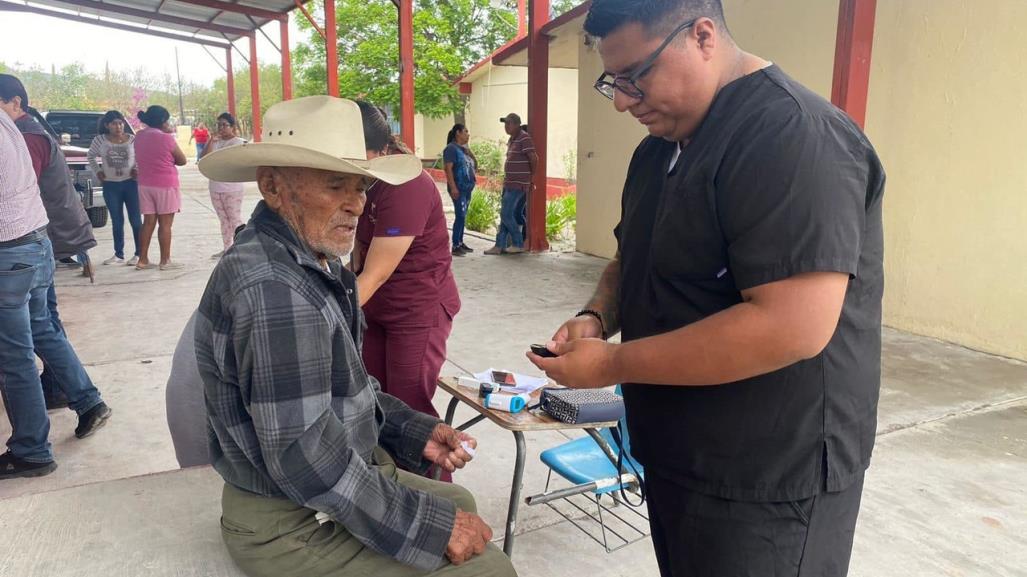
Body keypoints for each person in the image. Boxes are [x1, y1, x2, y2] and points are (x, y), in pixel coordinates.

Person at [527, 2, 886, 577]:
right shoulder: (658, 149)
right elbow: (634, 252)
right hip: (677, 454)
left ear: (702, 36)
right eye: (612, 82)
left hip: (766, 475)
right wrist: (596, 315)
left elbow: (790, 325)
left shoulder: (793, 136)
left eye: (637, 76)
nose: (622, 100)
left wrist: (612, 363)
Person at [195, 95, 514, 577]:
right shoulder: (275, 290)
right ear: (273, 186)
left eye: (361, 185)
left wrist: (413, 429)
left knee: (458, 501)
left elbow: (342, 391)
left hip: (307, 489)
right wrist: (428, 530)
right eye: (335, 184)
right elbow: (304, 459)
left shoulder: (309, 259)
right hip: (287, 521)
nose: (357, 202)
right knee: (488, 569)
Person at [0, 108, 113, 481]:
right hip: (35, 242)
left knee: (14, 359)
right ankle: (88, 400)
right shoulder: (9, 123)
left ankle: (31, 450)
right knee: (43, 330)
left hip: (10, 251)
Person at [353, 102, 461, 432]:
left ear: (384, 150)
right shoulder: (364, 182)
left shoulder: (405, 185)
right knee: (375, 401)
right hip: (377, 308)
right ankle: (391, 481)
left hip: (417, 310)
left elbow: (376, 272)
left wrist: (323, 317)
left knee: (410, 410)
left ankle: (434, 484)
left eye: (360, 158)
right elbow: (360, 256)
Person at [133, 105, 187, 270]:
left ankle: (142, 259)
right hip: (165, 184)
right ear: (163, 120)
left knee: (148, 222)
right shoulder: (166, 138)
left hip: (144, 184)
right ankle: (165, 260)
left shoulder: (139, 136)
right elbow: (182, 160)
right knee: (165, 224)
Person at [88, 110, 141, 266]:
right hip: (111, 184)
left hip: (131, 184)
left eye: (120, 123)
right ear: (107, 125)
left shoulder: (132, 140)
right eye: (114, 124)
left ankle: (139, 253)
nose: (118, 127)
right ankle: (119, 254)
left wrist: (137, 168)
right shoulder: (100, 140)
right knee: (117, 221)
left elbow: (141, 156)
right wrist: (98, 171)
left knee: (136, 220)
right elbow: (90, 155)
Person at [485, 114, 536, 255]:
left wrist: (531, 177)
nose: (506, 127)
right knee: (505, 215)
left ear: (517, 125)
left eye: (509, 124)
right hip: (509, 182)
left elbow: (533, 157)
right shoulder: (512, 139)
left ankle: (518, 243)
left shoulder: (524, 137)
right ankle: (499, 245)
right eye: (505, 124)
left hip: (518, 184)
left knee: (506, 214)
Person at [199, 112, 246, 258]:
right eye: (219, 124)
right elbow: (204, 158)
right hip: (215, 186)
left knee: (234, 219)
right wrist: (211, 140)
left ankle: (242, 247)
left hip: (232, 188)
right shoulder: (215, 142)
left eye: (225, 125)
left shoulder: (238, 143)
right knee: (223, 220)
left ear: (232, 127)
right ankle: (227, 248)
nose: (221, 128)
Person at [443, 123, 477, 256]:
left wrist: (469, 152)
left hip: (467, 188)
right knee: (460, 215)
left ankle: (460, 242)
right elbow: (448, 169)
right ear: (458, 133)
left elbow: (475, 164)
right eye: (465, 132)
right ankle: (455, 245)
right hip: (458, 187)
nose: (468, 135)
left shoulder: (463, 150)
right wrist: (453, 187)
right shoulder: (451, 149)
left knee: (463, 216)